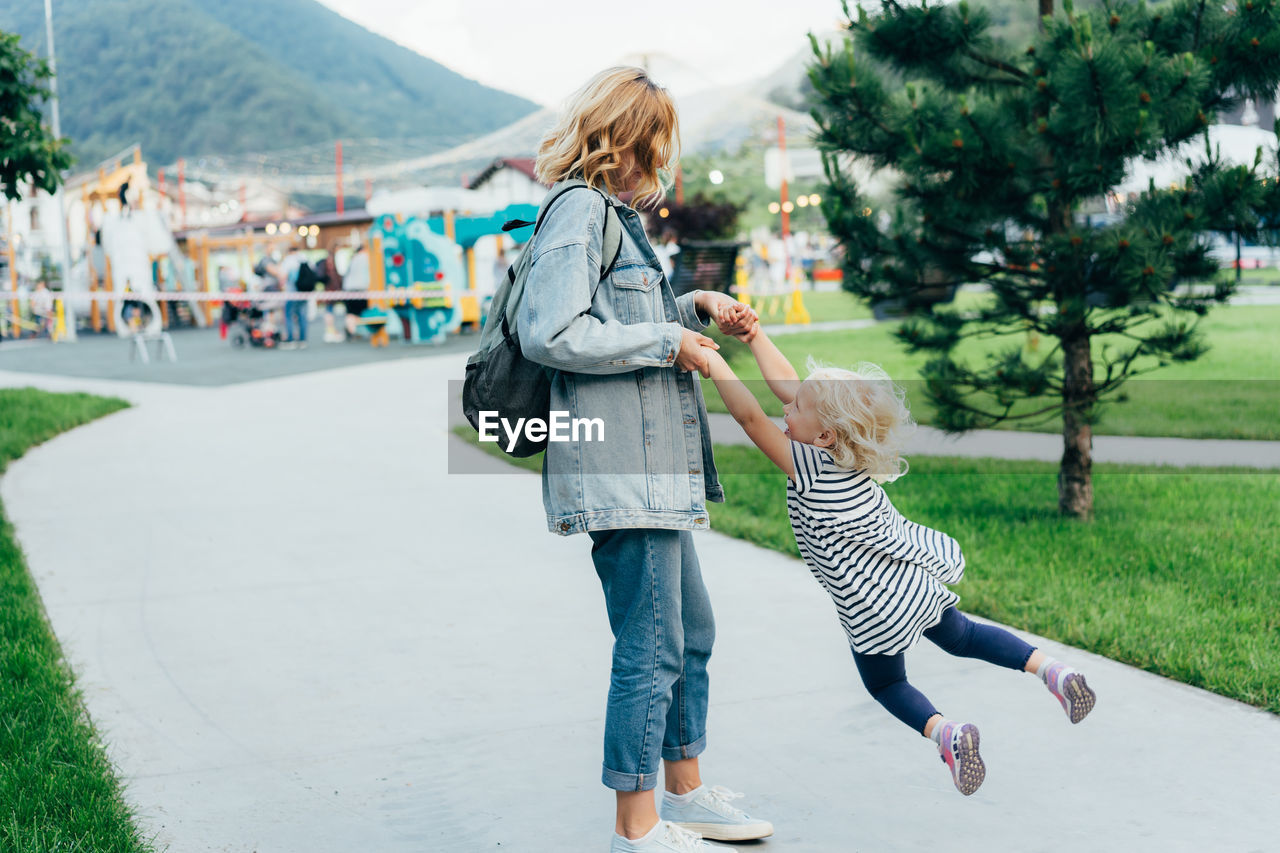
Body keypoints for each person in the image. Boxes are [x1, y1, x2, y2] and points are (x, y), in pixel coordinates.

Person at [517, 67, 772, 852]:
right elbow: (550, 331)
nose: (658, 168)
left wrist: (694, 310)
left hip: (653, 468)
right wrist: (667, 338)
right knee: (652, 640)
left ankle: (686, 791)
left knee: (690, 629)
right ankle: (638, 822)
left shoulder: (618, 220)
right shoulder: (579, 211)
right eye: (651, 148)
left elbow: (622, 315)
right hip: (620, 468)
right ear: (618, 139)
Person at [697, 323, 1098, 798]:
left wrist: (711, 363)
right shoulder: (848, 454)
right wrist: (755, 336)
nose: (786, 408)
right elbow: (792, 390)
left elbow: (749, 419)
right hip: (909, 579)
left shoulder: (806, 464)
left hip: (869, 602)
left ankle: (945, 733)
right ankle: (1053, 670)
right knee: (963, 635)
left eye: (797, 408)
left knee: (887, 684)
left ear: (824, 434)